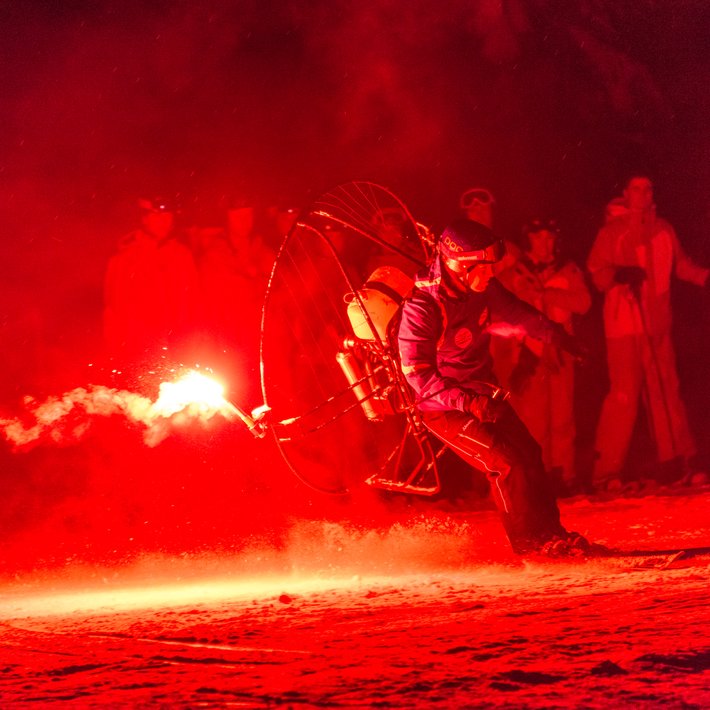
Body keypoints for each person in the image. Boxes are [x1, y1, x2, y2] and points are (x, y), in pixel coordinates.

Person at [397, 218, 591, 556]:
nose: (491, 275)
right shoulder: (422, 307)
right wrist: (467, 402)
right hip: (444, 409)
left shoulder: (481, 288)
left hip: (482, 395)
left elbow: (517, 313)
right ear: (461, 266)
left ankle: (552, 536)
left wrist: (558, 336)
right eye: (484, 268)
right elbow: (418, 376)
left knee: (530, 454)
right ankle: (528, 545)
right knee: (505, 463)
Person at [587, 175, 709, 490]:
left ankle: (678, 460)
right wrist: (617, 274)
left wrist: (703, 277)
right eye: (637, 189)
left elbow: (680, 265)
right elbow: (596, 271)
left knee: (667, 391)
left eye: (648, 188)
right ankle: (606, 470)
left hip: (657, 325)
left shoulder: (663, 230)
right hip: (624, 327)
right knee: (624, 396)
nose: (643, 194)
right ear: (626, 194)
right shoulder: (612, 231)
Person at [497, 217, 591, 493]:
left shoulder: (567, 270)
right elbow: (497, 305)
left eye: (549, 237)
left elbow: (583, 303)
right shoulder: (515, 273)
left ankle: (565, 474)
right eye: (538, 237)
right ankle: (539, 474)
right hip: (528, 354)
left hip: (560, 352)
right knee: (533, 420)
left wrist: (549, 294)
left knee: (563, 417)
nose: (544, 243)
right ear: (529, 241)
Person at [103, 195, 198, 362]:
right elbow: (113, 309)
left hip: (179, 348)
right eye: (156, 216)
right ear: (144, 219)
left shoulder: (183, 255)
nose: (163, 222)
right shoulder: (125, 257)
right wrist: (117, 351)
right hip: (138, 350)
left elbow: (195, 302)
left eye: (167, 216)